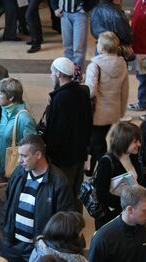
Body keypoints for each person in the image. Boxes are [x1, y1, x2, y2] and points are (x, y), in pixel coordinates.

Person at [2, 134, 75, 262]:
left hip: (39, 248)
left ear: (38, 155)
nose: (20, 160)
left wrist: (47, 243)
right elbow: (9, 202)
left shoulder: (58, 181)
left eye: (24, 156)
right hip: (13, 243)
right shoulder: (20, 173)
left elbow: (65, 219)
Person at [43, 57, 92, 212]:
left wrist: (49, 152)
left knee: (62, 193)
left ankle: (66, 225)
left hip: (62, 157)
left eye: (52, 72)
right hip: (79, 152)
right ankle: (75, 221)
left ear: (58, 74)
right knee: (75, 191)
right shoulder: (83, 92)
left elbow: (56, 131)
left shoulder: (59, 98)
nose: (51, 75)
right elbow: (89, 123)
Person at [84, 31, 129, 174]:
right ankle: (91, 168)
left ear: (102, 48)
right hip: (113, 111)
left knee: (97, 142)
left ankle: (107, 169)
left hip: (97, 113)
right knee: (98, 139)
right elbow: (125, 91)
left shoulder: (94, 66)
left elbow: (90, 91)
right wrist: (121, 112)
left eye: (98, 42)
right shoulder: (122, 64)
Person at [92, 121, 145, 229]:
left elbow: (139, 182)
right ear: (123, 142)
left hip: (131, 213)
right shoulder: (106, 163)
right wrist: (128, 204)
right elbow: (102, 195)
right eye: (135, 141)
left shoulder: (133, 156)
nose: (139, 144)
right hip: (112, 219)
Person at [0, 77, 37, 183]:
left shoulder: (24, 119)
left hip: (16, 173)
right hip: (1, 167)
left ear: (11, 97)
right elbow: (4, 133)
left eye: (0, 93)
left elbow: (31, 149)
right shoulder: (5, 110)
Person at [51, 0, 94, 70]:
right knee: (67, 47)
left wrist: (87, 7)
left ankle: (77, 75)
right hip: (64, 14)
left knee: (79, 48)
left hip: (80, 14)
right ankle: (68, 72)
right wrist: (55, 7)